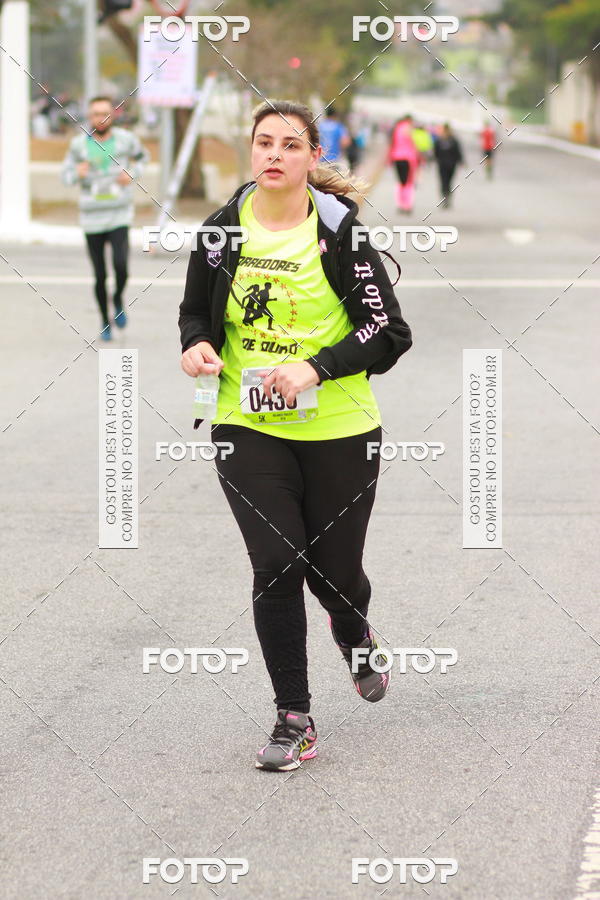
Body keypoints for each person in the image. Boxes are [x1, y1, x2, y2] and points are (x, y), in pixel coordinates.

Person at [178, 99, 413, 772]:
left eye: (289, 144)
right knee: (278, 564)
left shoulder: (339, 233)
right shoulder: (221, 231)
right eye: (263, 143)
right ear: (250, 154)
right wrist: (195, 346)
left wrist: (316, 367)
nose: (274, 154)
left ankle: (353, 628)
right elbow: (195, 312)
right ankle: (293, 717)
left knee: (334, 578)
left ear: (314, 158)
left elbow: (388, 332)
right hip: (246, 423)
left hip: (341, 425)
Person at [61, 96, 149, 340]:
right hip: (92, 218)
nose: (101, 118)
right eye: (96, 114)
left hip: (119, 214)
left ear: (113, 115)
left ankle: (118, 298)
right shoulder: (79, 145)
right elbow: (65, 175)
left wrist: (131, 174)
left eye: (105, 113)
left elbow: (144, 158)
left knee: (121, 267)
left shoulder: (126, 140)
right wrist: (76, 174)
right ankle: (104, 320)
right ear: (90, 118)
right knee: (100, 275)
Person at [387, 115, 420, 213]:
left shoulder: (396, 128)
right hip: (408, 159)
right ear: (409, 120)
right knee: (408, 182)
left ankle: (400, 204)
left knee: (400, 181)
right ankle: (407, 205)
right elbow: (415, 144)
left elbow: (392, 144)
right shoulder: (409, 129)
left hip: (396, 157)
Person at [433, 123, 464, 208]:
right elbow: (435, 152)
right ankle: (445, 199)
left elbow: (458, 152)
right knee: (443, 182)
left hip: (451, 165)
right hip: (442, 165)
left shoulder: (453, 140)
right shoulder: (439, 141)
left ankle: (448, 197)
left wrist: (461, 161)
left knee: (449, 182)